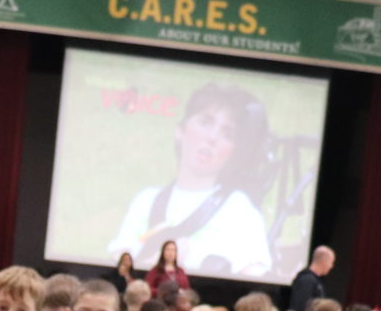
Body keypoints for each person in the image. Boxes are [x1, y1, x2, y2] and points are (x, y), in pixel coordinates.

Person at [107, 84, 275, 279]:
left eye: (227, 133)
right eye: (205, 122)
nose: (212, 138)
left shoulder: (240, 210)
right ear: (181, 130)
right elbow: (118, 271)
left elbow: (255, 281)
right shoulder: (146, 201)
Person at [289, 245, 334, 311]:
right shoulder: (307, 280)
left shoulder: (315, 281)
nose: (331, 266)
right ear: (324, 261)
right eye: (331, 262)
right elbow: (301, 306)